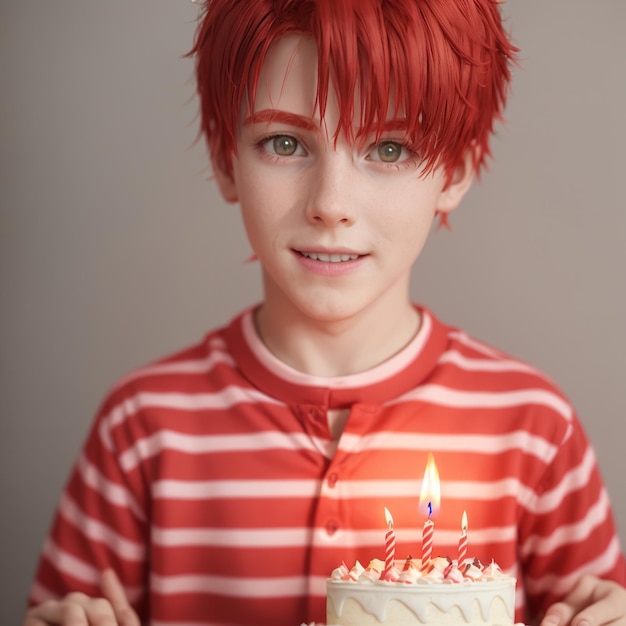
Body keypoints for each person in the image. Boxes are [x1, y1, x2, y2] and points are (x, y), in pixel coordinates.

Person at [23, 0, 626, 625]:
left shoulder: (533, 428)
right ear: (225, 155)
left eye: (390, 149)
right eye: (284, 143)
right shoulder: (142, 431)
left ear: (456, 170)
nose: (331, 204)